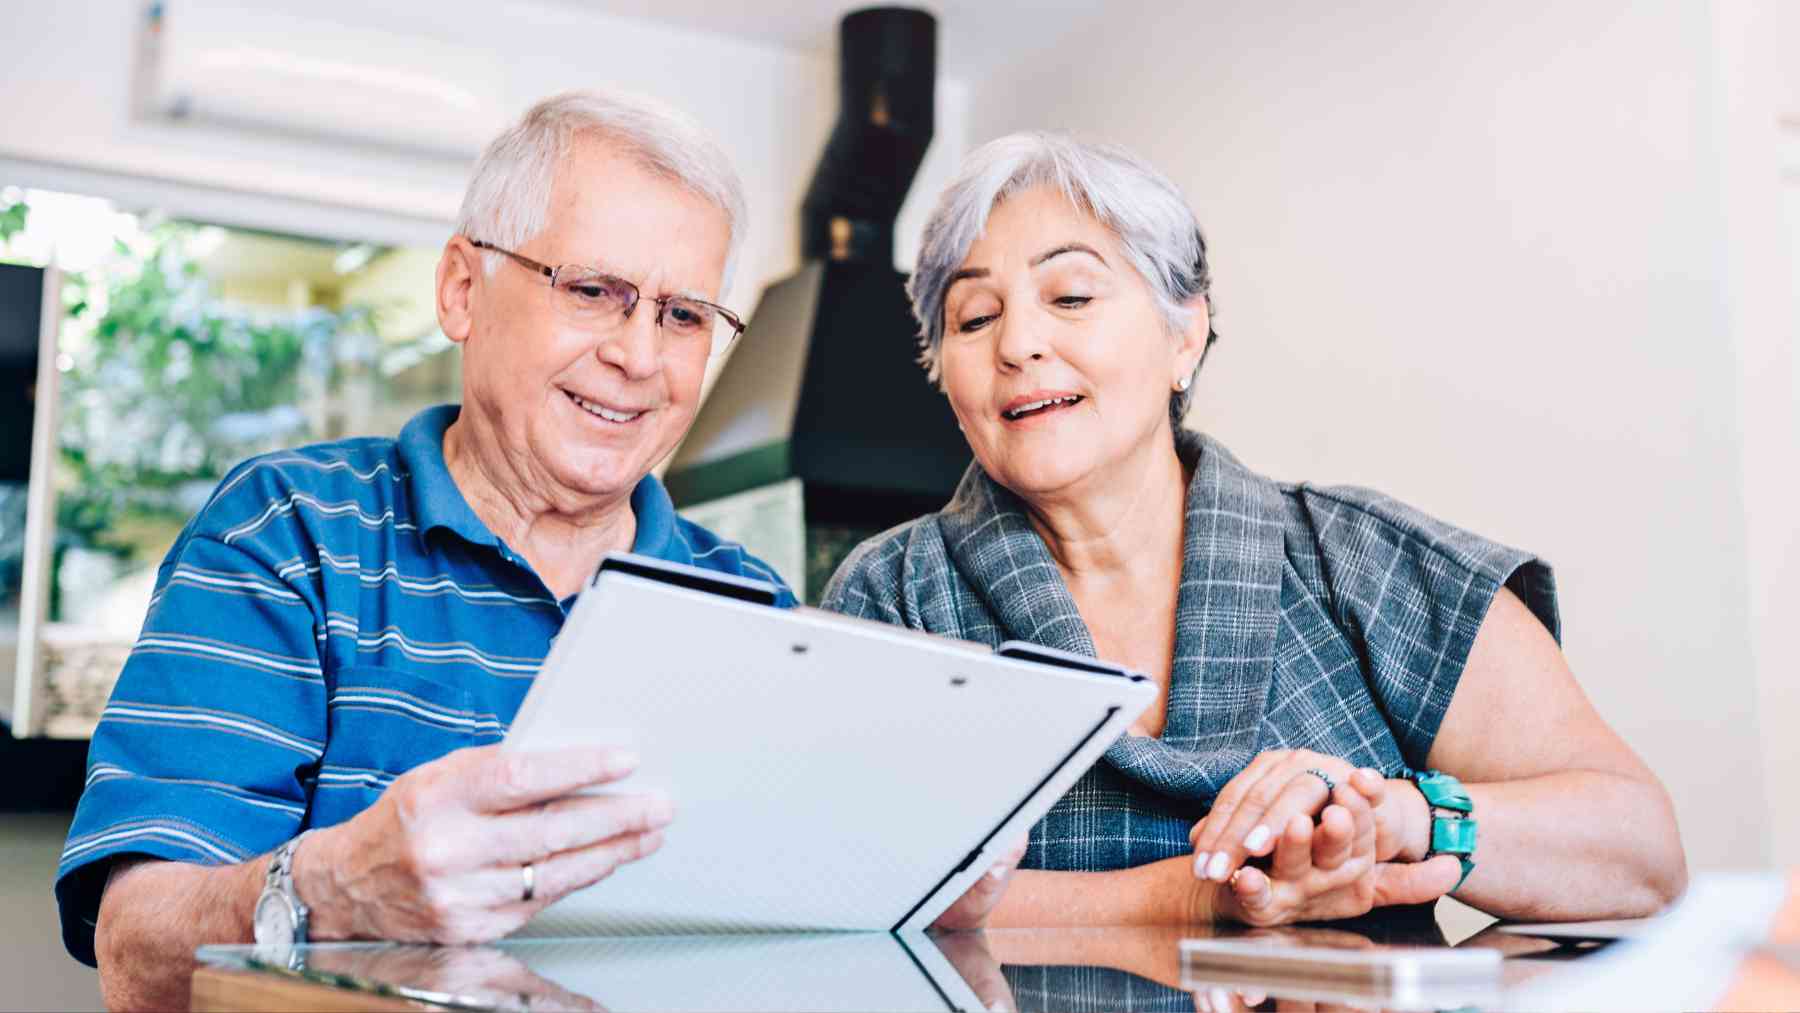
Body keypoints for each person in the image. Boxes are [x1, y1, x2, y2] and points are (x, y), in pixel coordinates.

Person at [59, 89, 807, 1010]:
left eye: (684, 315)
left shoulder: (754, 608)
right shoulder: (285, 530)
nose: (641, 356)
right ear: (462, 289)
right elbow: (134, 950)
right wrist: (327, 890)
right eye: (591, 291)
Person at [823, 131, 1687, 928]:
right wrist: (1195, 894)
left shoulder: (1360, 559)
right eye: (974, 318)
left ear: (1183, 333)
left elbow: (1641, 851)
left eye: (1072, 294)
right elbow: (844, 891)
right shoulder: (892, 596)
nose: (1018, 343)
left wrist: (1397, 815)